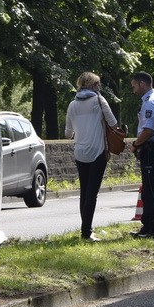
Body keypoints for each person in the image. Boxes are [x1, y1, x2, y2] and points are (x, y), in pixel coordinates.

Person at [64, 72, 119, 241]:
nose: (99, 87)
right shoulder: (99, 100)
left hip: (80, 152)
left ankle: (85, 229)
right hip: (97, 151)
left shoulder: (72, 104)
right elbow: (114, 123)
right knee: (92, 193)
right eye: (98, 85)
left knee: (84, 192)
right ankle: (86, 232)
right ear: (94, 86)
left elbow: (68, 134)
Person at [129, 72, 154, 240]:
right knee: (149, 190)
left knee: (152, 190)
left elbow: (148, 130)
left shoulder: (150, 103)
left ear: (142, 84)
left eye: (134, 86)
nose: (133, 90)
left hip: (152, 148)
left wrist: (136, 144)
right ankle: (149, 226)